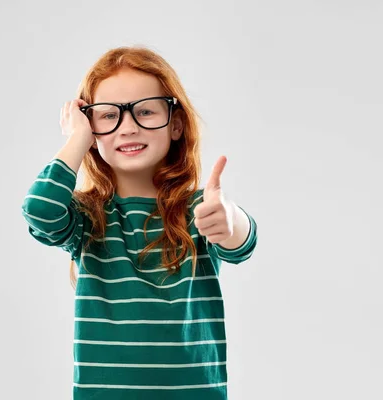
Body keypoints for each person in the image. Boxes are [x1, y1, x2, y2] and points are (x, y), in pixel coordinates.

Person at [21, 46, 258, 400]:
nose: (128, 127)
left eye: (145, 111)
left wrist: (229, 218)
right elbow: (40, 209)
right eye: (108, 116)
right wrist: (77, 140)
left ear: (176, 124)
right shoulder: (88, 216)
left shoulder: (198, 209)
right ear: (90, 128)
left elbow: (241, 243)